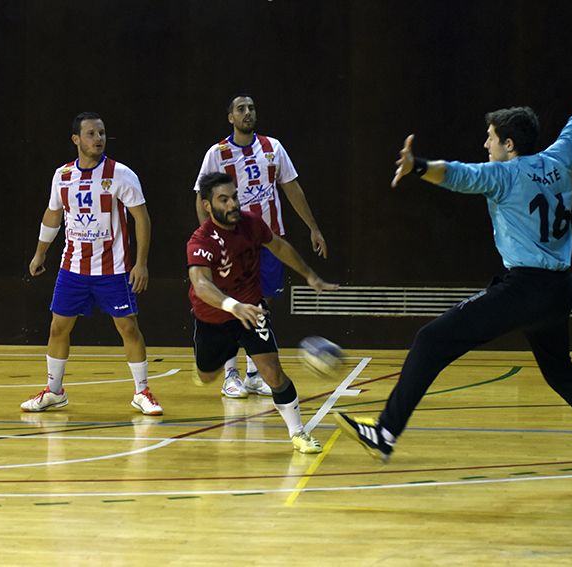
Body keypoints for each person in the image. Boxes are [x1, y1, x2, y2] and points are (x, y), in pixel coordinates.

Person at [335, 39, 572, 474]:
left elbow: (458, 175)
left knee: (431, 339)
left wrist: (417, 166)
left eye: (491, 138)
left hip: (525, 288)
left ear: (510, 145)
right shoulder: (561, 156)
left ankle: (385, 432)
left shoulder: (504, 175)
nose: (485, 144)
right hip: (558, 290)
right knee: (561, 373)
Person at [22, 112, 163, 416]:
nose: (98, 139)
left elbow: (142, 217)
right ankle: (54, 391)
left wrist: (141, 263)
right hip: (72, 268)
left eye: (101, 133)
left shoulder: (121, 174)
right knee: (58, 327)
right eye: (91, 134)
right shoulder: (62, 176)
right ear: (76, 139)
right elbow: (53, 215)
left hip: (113, 270)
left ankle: (143, 392)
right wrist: (40, 253)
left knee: (128, 327)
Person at [187, 172, 338, 453]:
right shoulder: (202, 239)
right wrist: (233, 306)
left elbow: (279, 246)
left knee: (273, 372)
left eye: (234, 197)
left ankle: (298, 432)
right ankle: (220, 361)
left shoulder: (251, 224)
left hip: (252, 310)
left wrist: (310, 275)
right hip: (214, 317)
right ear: (208, 206)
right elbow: (201, 283)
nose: (232, 204)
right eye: (224, 199)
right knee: (207, 376)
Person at [192, 95, 328, 399]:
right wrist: (209, 237)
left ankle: (254, 373)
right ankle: (231, 374)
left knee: (261, 303)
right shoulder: (217, 153)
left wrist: (313, 227)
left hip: (266, 241)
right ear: (230, 117)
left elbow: (292, 188)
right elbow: (201, 198)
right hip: (230, 244)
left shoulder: (273, 148)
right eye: (240, 109)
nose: (247, 113)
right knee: (230, 301)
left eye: (251, 108)